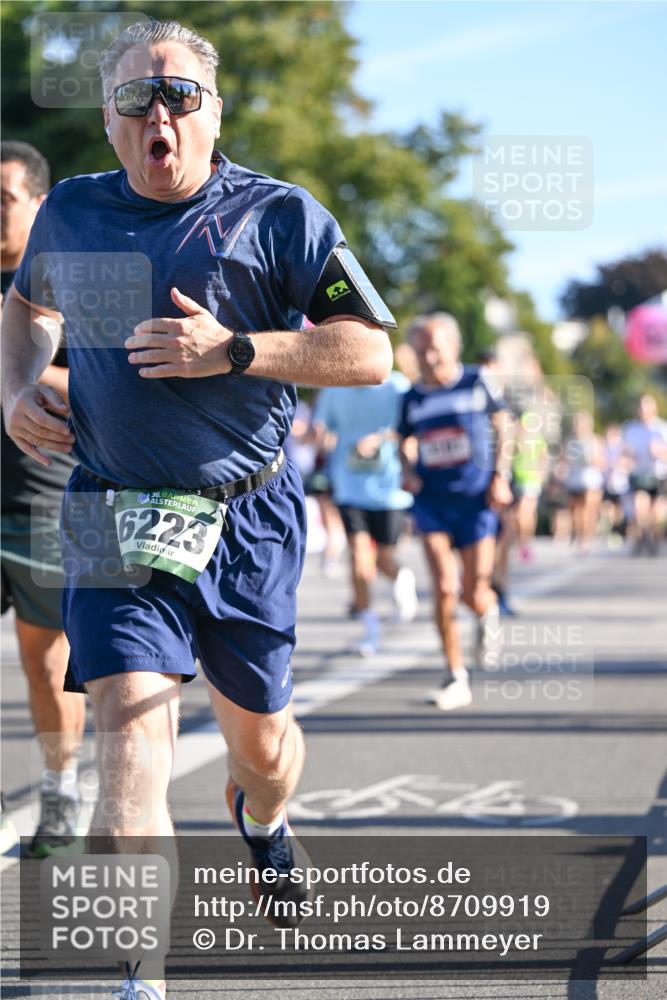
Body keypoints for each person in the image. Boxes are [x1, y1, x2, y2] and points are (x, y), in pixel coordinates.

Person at [1, 20, 394, 1000]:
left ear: (215, 113)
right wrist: (13, 391)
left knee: (262, 749)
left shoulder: (280, 215)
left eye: (179, 96)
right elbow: (25, 312)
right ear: (109, 119)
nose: (159, 115)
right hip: (114, 507)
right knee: (130, 740)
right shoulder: (72, 212)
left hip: (246, 516)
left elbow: (368, 351)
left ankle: (263, 816)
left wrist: (235, 350)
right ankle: (144, 977)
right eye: (136, 98)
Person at [1, 140, 85, 858]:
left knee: (45, 664)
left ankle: (61, 795)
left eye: (3, 199)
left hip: (41, 499)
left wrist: (20, 378)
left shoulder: (67, 282)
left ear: (38, 203)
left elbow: (104, 386)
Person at [399, 313, 512, 711]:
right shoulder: (412, 397)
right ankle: (455, 674)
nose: (428, 358)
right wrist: (407, 470)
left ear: (454, 347)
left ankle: (488, 610)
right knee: (445, 587)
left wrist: (500, 476)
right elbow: (404, 441)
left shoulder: (477, 381)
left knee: (472, 591)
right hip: (432, 500)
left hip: (475, 499)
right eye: (420, 350)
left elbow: (504, 427)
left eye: (434, 348)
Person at [313, 372, 417, 655]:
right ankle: (370, 629)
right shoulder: (333, 389)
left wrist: (379, 438)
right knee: (359, 556)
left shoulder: (396, 386)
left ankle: (402, 577)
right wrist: (317, 436)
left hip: (389, 490)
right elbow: (322, 430)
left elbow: (409, 429)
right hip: (349, 487)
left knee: (384, 559)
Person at [623, 394, 667, 555]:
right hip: (639, 475)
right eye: (641, 408)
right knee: (640, 508)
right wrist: (627, 457)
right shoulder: (630, 429)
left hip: (659, 475)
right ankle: (644, 537)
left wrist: (659, 452)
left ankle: (653, 537)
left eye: (647, 407)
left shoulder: (662, 428)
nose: (643, 411)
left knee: (657, 514)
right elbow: (625, 452)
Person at [563, 411, 605, 553]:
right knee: (576, 511)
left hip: (591, 480)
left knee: (589, 510)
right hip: (574, 479)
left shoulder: (595, 440)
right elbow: (564, 460)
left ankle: (587, 538)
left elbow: (601, 462)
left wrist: (590, 459)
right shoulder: (569, 441)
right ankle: (580, 536)